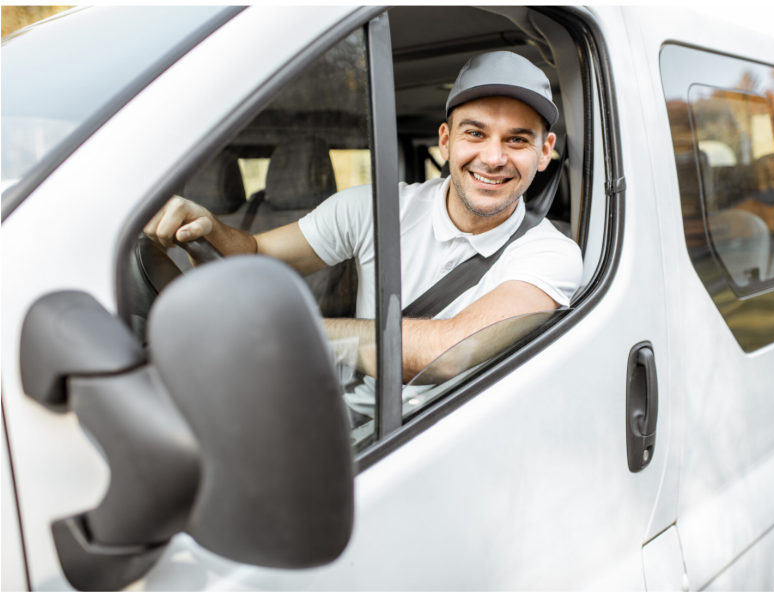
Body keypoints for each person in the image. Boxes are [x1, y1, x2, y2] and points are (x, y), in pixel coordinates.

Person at [144, 51, 583, 416]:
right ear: (445, 141)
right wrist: (208, 228)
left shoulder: (550, 254)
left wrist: (288, 328)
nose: (492, 157)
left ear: (545, 152)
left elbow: (449, 353)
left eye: (517, 140)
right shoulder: (374, 208)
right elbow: (257, 252)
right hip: (355, 420)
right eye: (476, 133)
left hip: (453, 428)